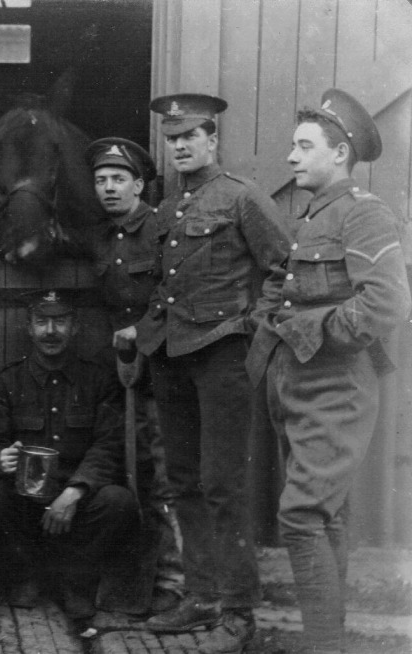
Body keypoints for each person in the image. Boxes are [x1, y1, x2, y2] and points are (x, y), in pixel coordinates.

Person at [247, 89, 411, 654]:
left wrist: (314, 334)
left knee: (299, 515)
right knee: (325, 512)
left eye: (303, 146)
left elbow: (388, 303)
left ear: (339, 153)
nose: (290, 158)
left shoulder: (364, 211)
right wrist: (271, 322)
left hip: (336, 383)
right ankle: (330, 643)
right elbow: (284, 290)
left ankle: (322, 646)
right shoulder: (308, 216)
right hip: (294, 383)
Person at [135, 93, 290, 653]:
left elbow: (284, 270)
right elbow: (166, 278)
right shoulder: (169, 208)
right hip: (172, 357)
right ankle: (200, 597)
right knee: (182, 480)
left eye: (190, 136)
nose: (179, 145)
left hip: (224, 355)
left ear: (212, 140)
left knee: (224, 484)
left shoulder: (243, 198)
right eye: (172, 137)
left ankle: (240, 610)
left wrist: (254, 329)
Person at [0, 289, 138, 622]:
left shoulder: (98, 380)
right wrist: (0, 458)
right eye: (41, 322)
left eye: (60, 322)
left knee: (118, 501)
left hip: (76, 502)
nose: (50, 331)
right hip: (26, 501)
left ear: (75, 327)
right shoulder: (8, 381)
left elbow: (108, 444)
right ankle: (28, 575)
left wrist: (75, 491)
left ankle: (74, 583)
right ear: (28, 328)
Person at [86, 137, 184, 613]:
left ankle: (175, 581)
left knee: (166, 476)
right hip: (124, 375)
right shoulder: (102, 236)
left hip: (164, 371)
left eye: (118, 179)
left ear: (139, 184)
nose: (108, 188)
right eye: (101, 180)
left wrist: (141, 332)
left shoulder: (163, 230)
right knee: (133, 474)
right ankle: (138, 578)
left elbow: (176, 294)